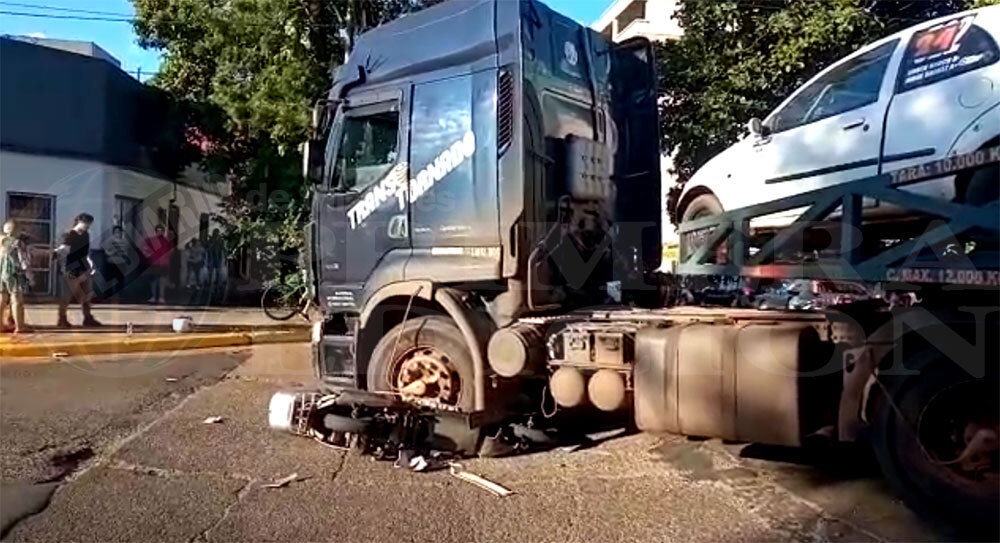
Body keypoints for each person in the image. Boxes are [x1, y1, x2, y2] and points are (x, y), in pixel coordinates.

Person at [56, 213, 101, 327]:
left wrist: (91, 264)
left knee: (86, 294)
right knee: (67, 295)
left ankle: (88, 318)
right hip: (71, 268)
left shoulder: (86, 235)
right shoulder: (69, 235)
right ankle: (62, 318)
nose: (87, 226)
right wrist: (62, 265)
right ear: (79, 221)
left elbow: (86, 252)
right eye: (86, 223)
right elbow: (63, 251)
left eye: (89, 224)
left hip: (84, 268)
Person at [0, 219, 32, 334]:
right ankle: (19, 326)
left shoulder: (1, 240)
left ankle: (0, 325)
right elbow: (23, 261)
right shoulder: (17, 243)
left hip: (1, 273)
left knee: (2, 298)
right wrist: (28, 274)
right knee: (16, 300)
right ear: (17, 231)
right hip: (14, 274)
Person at [143, 225, 173, 304]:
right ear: (155, 231)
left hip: (163, 263)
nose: (159, 232)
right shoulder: (150, 240)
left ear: (163, 232)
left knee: (162, 281)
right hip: (153, 263)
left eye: (161, 231)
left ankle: (161, 297)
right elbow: (144, 248)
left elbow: (171, 250)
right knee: (153, 281)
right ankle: (153, 296)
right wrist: (148, 255)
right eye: (158, 231)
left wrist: (166, 257)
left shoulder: (167, 241)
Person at [101, 226, 133, 301]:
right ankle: (108, 295)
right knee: (109, 280)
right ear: (113, 233)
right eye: (116, 232)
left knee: (120, 280)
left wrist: (123, 255)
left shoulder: (125, 241)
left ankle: (120, 295)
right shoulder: (109, 241)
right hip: (111, 263)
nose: (117, 234)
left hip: (121, 263)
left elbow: (126, 252)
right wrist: (112, 252)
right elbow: (106, 252)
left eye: (119, 232)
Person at [205, 229, 227, 298]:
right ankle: (209, 284)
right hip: (211, 258)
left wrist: (225, 258)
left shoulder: (220, 241)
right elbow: (206, 248)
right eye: (215, 233)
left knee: (217, 272)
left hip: (217, 258)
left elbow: (223, 249)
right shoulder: (210, 240)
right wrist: (211, 245)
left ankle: (217, 285)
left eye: (217, 233)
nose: (216, 234)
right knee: (210, 271)